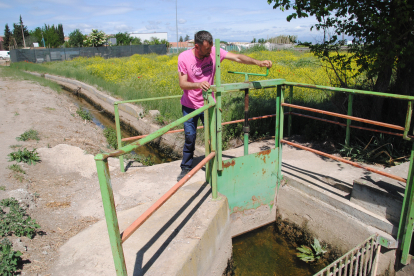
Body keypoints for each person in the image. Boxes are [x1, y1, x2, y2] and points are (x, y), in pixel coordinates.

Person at [177, 30, 272, 181]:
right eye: (206, 49)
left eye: (210, 49)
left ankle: (214, 166)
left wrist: (258, 63)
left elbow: (238, 57)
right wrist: (198, 84)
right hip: (190, 105)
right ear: (197, 46)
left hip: (209, 103)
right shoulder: (184, 57)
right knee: (190, 136)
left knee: (213, 136)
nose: (210, 52)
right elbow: (182, 84)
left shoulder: (214, 51)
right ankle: (186, 167)